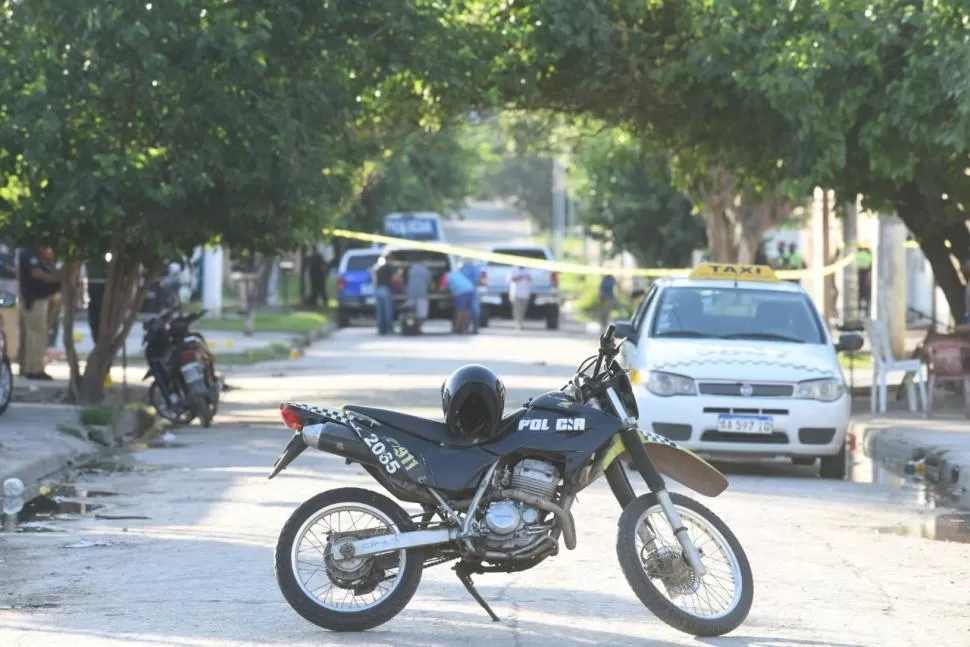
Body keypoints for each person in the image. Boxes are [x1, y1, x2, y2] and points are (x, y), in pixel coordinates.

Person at [19, 246, 61, 380]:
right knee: (38, 333)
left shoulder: (42, 256)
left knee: (34, 334)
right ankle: (36, 369)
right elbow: (38, 274)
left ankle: (31, 367)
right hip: (35, 299)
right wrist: (60, 278)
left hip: (42, 298)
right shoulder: (30, 254)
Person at [443, 265, 475, 333]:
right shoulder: (457, 273)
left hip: (461, 292)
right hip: (471, 289)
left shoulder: (446, 276)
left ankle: (457, 329)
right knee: (466, 310)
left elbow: (442, 288)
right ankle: (464, 328)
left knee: (459, 311)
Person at [371, 256, 397, 335]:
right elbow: (394, 278)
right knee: (388, 310)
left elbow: (373, 279)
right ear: (388, 260)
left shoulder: (377, 267)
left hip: (377, 289)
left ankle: (381, 329)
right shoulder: (389, 267)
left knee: (380, 310)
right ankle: (389, 327)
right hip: (385, 289)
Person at [86, 250, 108, 343]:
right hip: (95, 299)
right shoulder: (89, 262)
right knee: (95, 323)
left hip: (105, 300)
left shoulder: (105, 262)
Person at [405, 259, 432, 329]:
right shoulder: (426, 271)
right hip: (422, 293)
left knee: (411, 311)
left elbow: (408, 281)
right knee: (421, 312)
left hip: (411, 293)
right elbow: (429, 283)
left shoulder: (410, 271)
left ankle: (411, 327)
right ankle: (419, 327)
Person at [459, 259, 483, 334]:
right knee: (472, 310)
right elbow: (478, 280)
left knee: (466, 310)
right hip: (471, 291)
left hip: (464, 291)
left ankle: (468, 328)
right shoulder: (475, 268)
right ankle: (471, 328)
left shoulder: (462, 269)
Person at [508, 266, 532, 330]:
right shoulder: (513, 270)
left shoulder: (527, 270)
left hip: (525, 294)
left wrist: (527, 277)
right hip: (516, 293)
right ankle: (518, 324)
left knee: (523, 310)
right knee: (517, 310)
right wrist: (520, 277)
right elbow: (510, 280)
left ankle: (520, 322)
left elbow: (531, 280)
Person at [857, 242, 873, 317]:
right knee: (866, 293)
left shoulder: (857, 254)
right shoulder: (869, 255)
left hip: (858, 275)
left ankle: (860, 308)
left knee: (860, 293)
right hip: (866, 275)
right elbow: (871, 265)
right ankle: (866, 309)